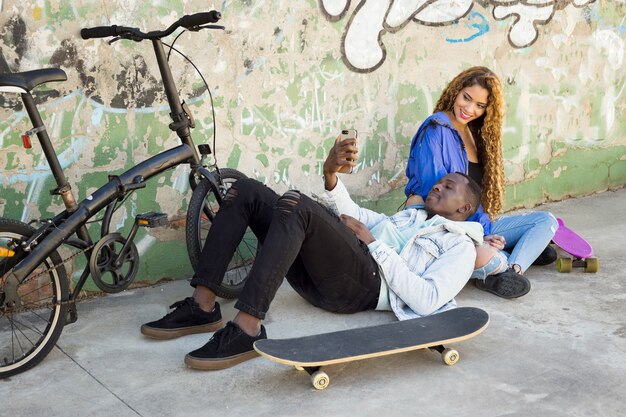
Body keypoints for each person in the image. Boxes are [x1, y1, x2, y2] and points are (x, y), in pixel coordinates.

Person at [141, 138, 484, 371]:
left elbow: (427, 300)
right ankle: (202, 306)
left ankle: (246, 329)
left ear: (465, 207)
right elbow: (360, 216)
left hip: (362, 288)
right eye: (440, 181)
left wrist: (375, 245)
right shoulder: (414, 215)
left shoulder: (461, 246)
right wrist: (331, 174)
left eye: (449, 186)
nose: (438, 185)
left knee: (297, 204)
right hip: (326, 275)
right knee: (245, 190)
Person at [405, 66, 558, 299]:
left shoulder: (474, 133)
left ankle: (509, 269)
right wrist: (479, 235)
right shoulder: (437, 129)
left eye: (480, 105)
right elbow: (434, 199)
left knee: (545, 222)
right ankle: (508, 261)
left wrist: (483, 231)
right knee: (488, 251)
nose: (469, 109)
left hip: (477, 223)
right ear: (456, 91)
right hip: (446, 230)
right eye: (466, 98)